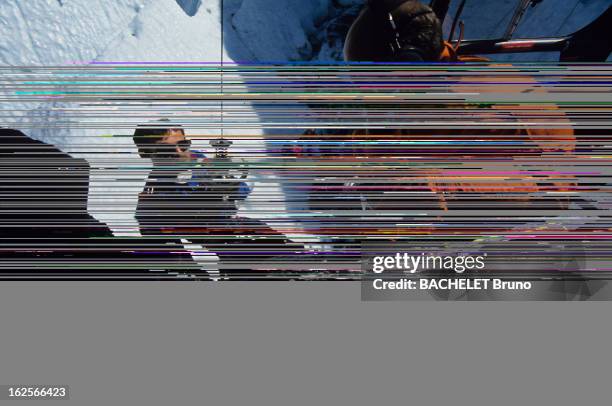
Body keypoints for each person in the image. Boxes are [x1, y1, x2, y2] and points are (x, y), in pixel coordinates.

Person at [133, 124, 303, 278]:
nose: (179, 152)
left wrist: (229, 186)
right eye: (167, 150)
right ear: (148, 152)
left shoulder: (199, 161)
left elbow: (240, 190)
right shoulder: (153, 196)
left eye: (183, 145)